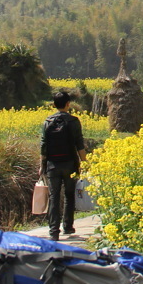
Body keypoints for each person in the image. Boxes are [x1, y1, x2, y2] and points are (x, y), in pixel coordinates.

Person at [42, 90, 86, 240]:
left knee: (54, 196)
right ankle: (68, 226)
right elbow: (79, 144)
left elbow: (43, 146)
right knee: (69, 194)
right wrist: (84, 162)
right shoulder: (73, 121)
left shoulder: (47, 122)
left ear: (54, 105)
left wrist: (42, 165)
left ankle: (54, 230)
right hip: (70, 163)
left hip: (52, 164)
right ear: (68, 104)